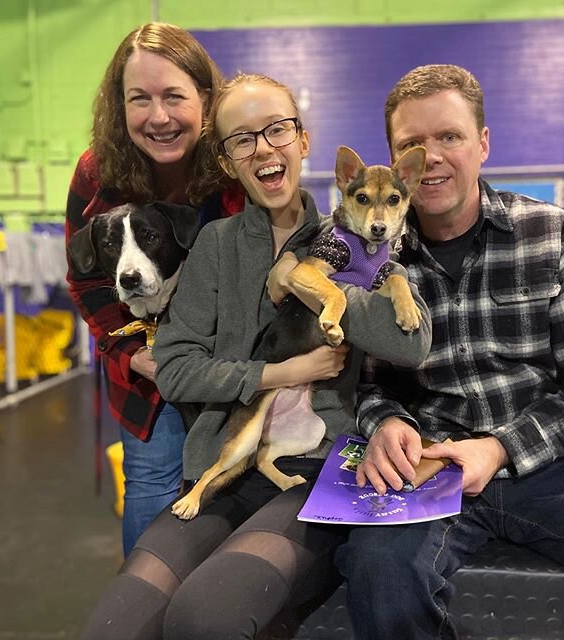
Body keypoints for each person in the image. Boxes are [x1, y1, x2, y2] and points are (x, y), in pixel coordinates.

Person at [78, 72, 432, 640]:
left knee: (205, 617)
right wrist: (278, 372)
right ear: (226, 160)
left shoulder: (353, 238)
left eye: (277, 130)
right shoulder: (213, 245)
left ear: (302, 140)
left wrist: (310, 281)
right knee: (115, 626)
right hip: (220, 470)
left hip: (313, 471)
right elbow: (172, 369)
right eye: (242, 139)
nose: (263, 147)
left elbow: (410, 344)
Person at [334, 63, 564, 640]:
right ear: (395, 163)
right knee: (379, 578)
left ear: (482, 144)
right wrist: (384, 422)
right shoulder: (365, 262)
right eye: (412, 143)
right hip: (429, 467)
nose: (430, 156)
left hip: (550, 461)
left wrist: (502, 447)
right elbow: (360, 384)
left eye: (449, 136)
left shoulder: (555, 234)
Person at [65, 22, 243, 556]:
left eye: (174, 96)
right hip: (148, 365)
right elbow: (86, 280)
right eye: (139, 98)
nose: (158, 116)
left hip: (229, 357)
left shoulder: (233, 164)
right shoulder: (97, 174)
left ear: (206, 101)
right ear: (120, 106)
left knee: (238, 479)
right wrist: (133, 353)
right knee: (152, 480)